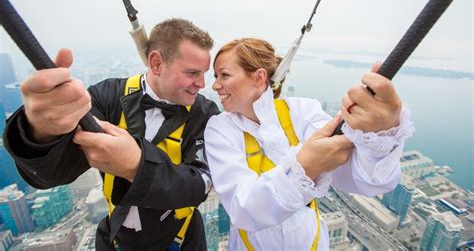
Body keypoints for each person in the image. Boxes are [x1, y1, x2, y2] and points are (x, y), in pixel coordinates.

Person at [3, 18, 220, 250]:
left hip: (182, 241)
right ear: (156, 63)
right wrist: (43, 132)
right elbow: (55, 171)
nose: (202, 83)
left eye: (204, 73)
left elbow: (199, 185)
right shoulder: (108, 97)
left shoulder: (204, 114)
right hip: (116, 239)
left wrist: (137, 166)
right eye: (192, 73)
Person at [204, 38, 415, 250]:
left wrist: (379, 135)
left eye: (224, 75)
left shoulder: (303, 112)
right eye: (216, 76)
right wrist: (305, 167)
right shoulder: (220, 129)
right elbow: (243, 209)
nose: (215, 84)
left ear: (259, 78)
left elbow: (362, 179)